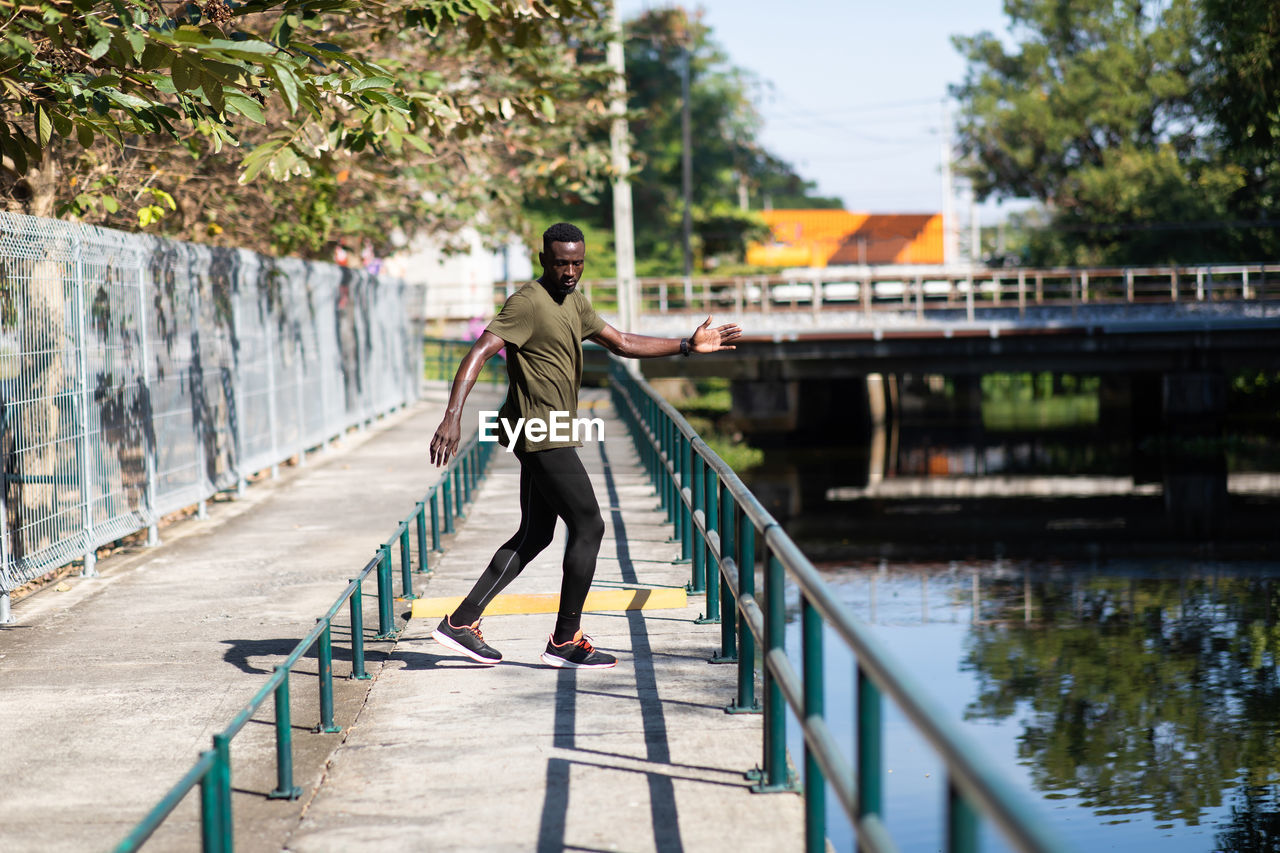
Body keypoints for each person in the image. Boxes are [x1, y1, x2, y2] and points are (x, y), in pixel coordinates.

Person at [428, 222, 741, 669]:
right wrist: (452, 418)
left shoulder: (574, 302)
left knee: (536, 534)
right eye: (561, 263)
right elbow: (479, 352)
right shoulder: (527, 302)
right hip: (539, 431)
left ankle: (461, 623)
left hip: (545, 429)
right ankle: (565, 639)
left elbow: (623, 342)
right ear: (544, 261)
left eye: (577, 262)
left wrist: (686, 345)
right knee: (590, 525)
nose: (570, 271)